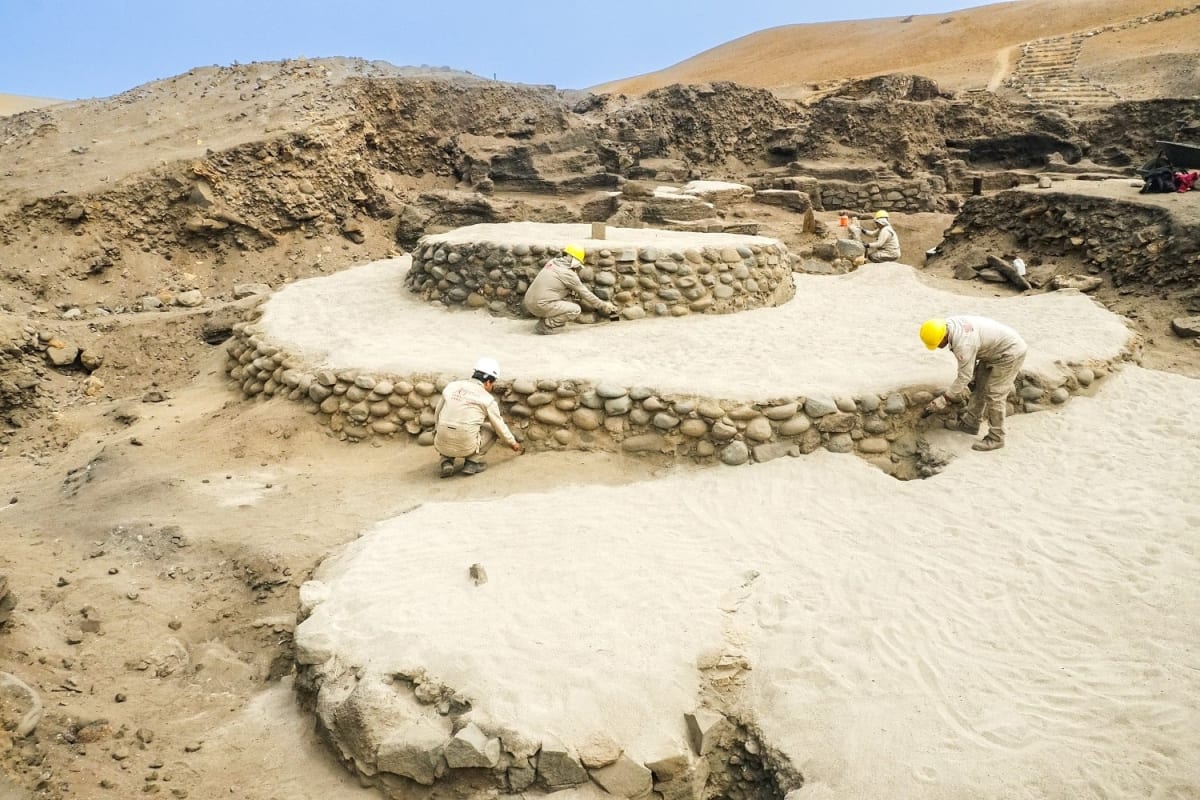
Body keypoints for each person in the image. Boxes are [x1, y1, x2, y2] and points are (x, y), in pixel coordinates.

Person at [919, 316, 1028, 452]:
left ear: (944, 336)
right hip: (992, 350)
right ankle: (970, 424)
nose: (938, 347)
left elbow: (964, 376)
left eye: (938, 343)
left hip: (1010, 353)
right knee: (979, 386)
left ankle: (996, 438)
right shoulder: (946, 325)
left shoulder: (963, 344)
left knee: (995, 394)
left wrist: (944, 399)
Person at [433, 357, 521, 477]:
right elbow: (499, 426)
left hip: (441, 442)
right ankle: (472, 462)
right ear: (488, 382)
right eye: (492, 384)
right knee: (492, 429)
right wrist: (513, 443)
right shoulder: (487, 399)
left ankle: (446, 461)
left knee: (448, 426)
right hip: (466, 446)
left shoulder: (451, 387)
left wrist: (437, 430)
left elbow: (437, 413)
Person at [522, 244, 618, 334]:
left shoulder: (552, 262)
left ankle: (546, 317)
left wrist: (570, 291)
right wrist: (604, 305)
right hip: (540, 305)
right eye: (579, 261)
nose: (578, 265)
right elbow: (585, 293)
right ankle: (547, 325)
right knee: (575, 309)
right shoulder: (568, 274)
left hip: (528, 301)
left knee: (561, 296)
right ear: (574, 259)